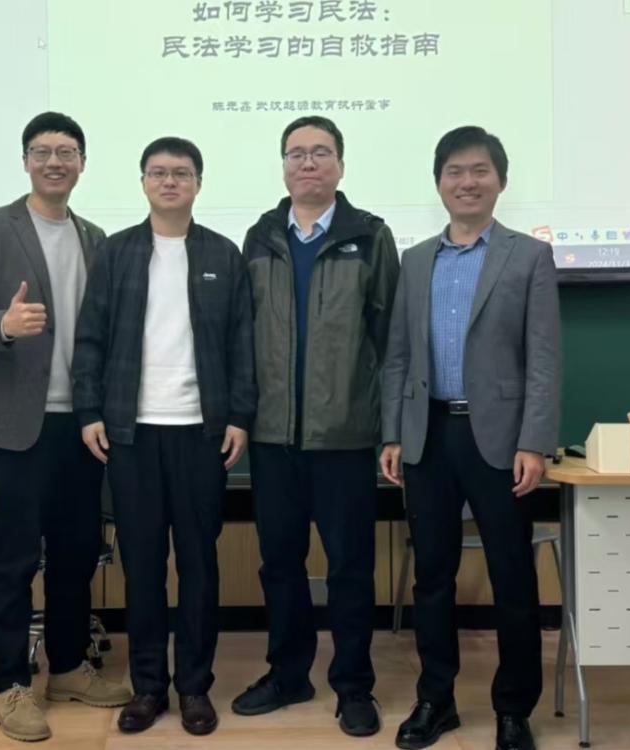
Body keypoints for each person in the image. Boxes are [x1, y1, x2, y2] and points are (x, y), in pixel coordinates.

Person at [0, 112, 130, 743]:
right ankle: (10, 683)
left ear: (82, 162)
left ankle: (70, 667)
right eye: (43, 151)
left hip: (82, 424)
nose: (55, 161)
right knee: (14, 557)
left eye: (67, 151)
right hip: (17, 424)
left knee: (78, 552)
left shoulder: (95, 236)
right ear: (25, 160)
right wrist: (2, 325)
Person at [380, 125, 561, 750]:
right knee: (432, 576)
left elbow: (544, 358)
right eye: (454, 171)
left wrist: (534, 441)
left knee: (513, 578)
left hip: (502, 442)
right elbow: (398, 356)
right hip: (428, 435)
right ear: (439, 183)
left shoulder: (528, 257)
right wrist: (393, 432)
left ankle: (513, 709)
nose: (467, 182)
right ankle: (437, 700)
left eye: (479, 170)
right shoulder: (415, 260)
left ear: (500, 181)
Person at [72, 137, 255, 736]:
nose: (169, 181)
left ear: (198, 182)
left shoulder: (223, 253)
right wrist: (89, 410)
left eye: (181, 172)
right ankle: (148, 686)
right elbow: (91, 337)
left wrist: (239, 416)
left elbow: (242, 343)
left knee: (199, 564)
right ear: (143, 182)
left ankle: (194, 686)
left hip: (202, 433)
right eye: (158, 172)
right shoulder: (117, 252)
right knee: (143, 564)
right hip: (131, 433)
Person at [233, 116, 399, 737]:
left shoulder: (370, 236)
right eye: (296, 153)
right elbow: (242, 336)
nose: (308, 163)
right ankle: (288, 674)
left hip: (344, 437)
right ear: (283, 166)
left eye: (321, 152)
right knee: (280, 563)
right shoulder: (260, 237)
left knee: (351, 566)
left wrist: (388, 427)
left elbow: (392, 342)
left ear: (340, 165)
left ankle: (353, 684)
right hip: (272, 437)